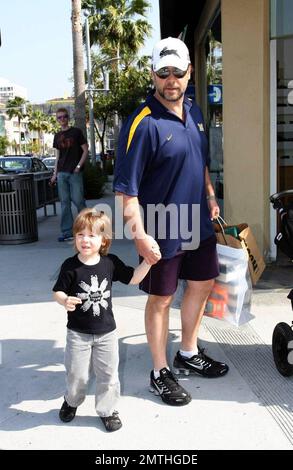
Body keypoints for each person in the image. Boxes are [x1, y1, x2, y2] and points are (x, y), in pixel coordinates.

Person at [114, 37, 229, 407]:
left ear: (189, 72)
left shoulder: (195, 112)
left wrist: (210, 198)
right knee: (162, 298)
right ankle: (159, 370)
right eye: (163, 72)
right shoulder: (142, 124)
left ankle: (188, 351)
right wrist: (139, 237)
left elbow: (202, 162)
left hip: (197, 221)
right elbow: (126, 193)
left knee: (203, 283)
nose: (171, 79)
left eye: (177, 71)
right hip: (162, 227)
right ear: (153, 74)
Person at [53, 208, 160, 431]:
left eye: (91, 235)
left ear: (103, 240)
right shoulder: (70, 266)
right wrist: (64, 300)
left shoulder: (110, 263)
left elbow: (132, 278)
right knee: (77, 375)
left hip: (106, 333)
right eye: (80, 234)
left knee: (108, 375)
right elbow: (58, 291)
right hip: (78, 333)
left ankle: (107, 410)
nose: (85, 239)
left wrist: (148, 262)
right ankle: (71, 401)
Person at [50, 108, 88, 242]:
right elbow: (57, 156)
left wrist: (78, 166)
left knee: (78, 201)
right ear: (57, 120)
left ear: (68, 117)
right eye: (59, 117)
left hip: (74, 173)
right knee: (64, 203)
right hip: (62, 174)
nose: (62, 119)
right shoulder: (57, 136)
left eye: (64, 117)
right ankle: (67, 232)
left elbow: (85, 150)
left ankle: (86, 229)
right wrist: (55, 174)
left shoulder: (76, 132)